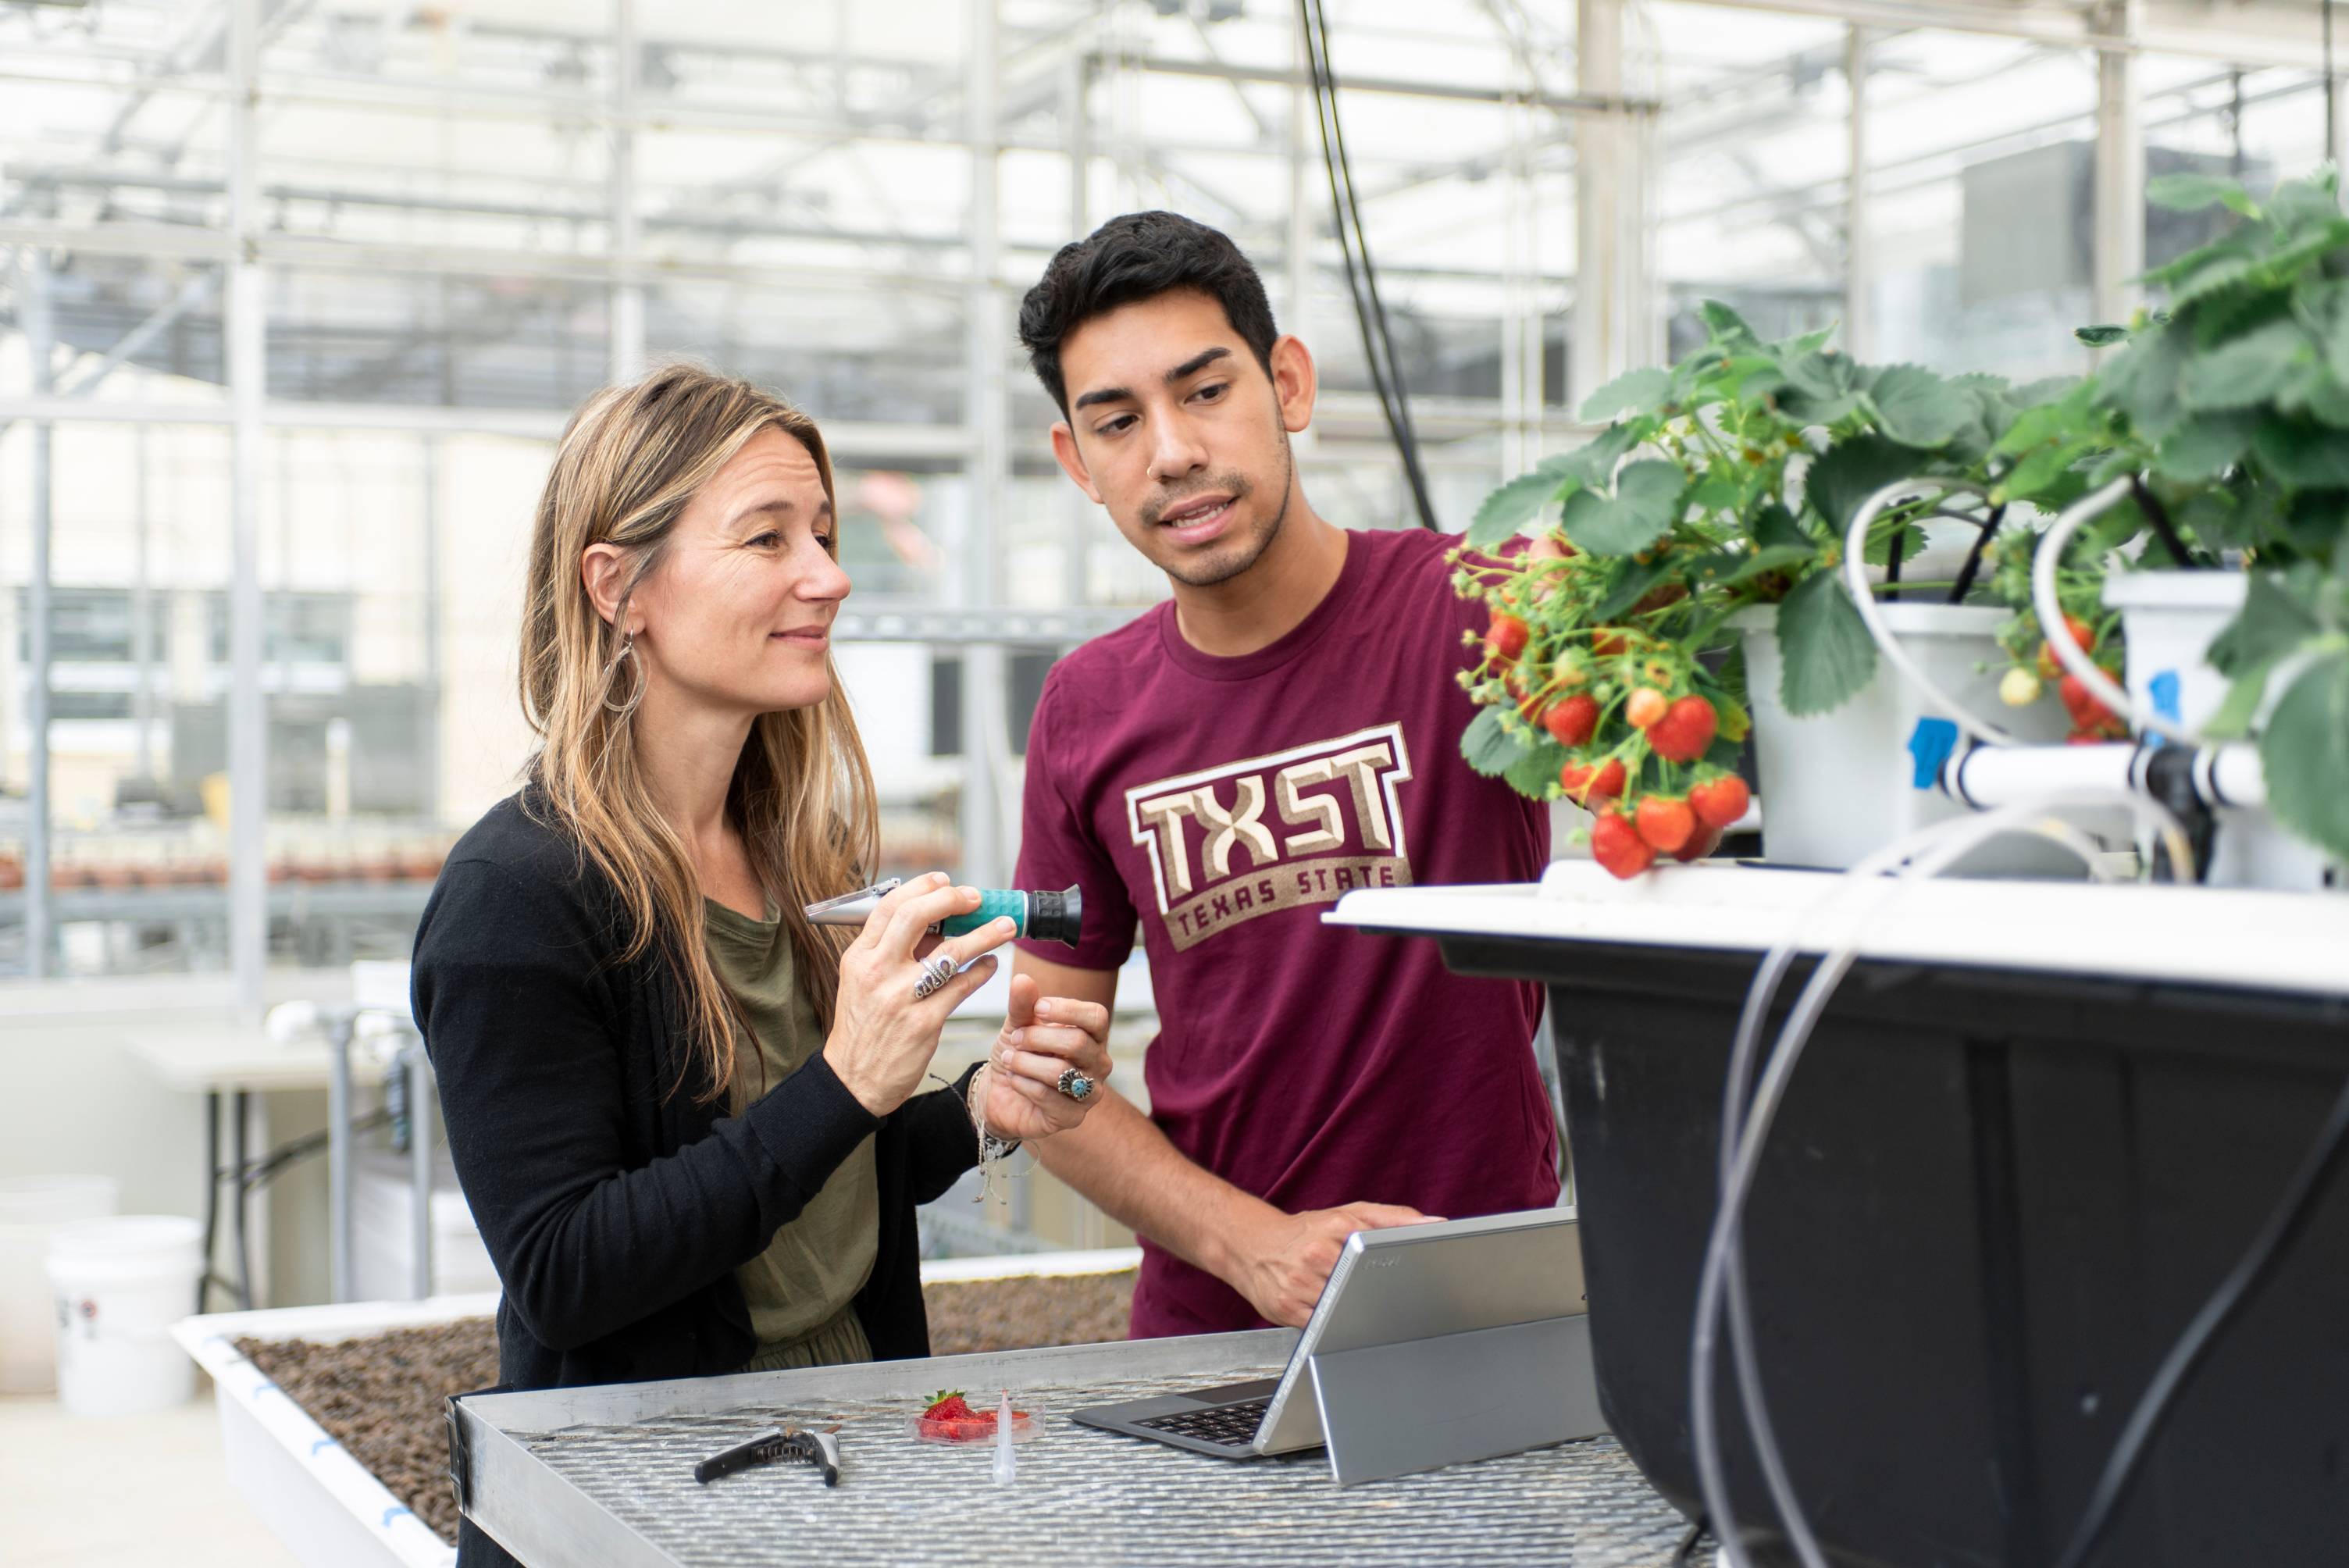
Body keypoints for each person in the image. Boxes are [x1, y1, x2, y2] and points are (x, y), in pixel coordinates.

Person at [411, 365, 1113, 1568]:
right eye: (768, 537)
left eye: (827, 535)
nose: (829, 576)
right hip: (643, 1494)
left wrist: (973, 1112)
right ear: (617, 585)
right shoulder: (515, 899)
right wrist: (847, 1077)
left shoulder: (790, 852)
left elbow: (807, 1181)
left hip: (852, 1444)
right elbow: (567, 1270)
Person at [1007, 212, 1559, 1339]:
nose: (1172, 453)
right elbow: (1044, 1085)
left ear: (1288, 385)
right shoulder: (1086, 708)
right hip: (1211, 1337)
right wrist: (1255, 1250)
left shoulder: (1480, 607)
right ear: (1079, 461)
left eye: (1205, 392)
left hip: (1476, 1312)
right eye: (1118, 421)